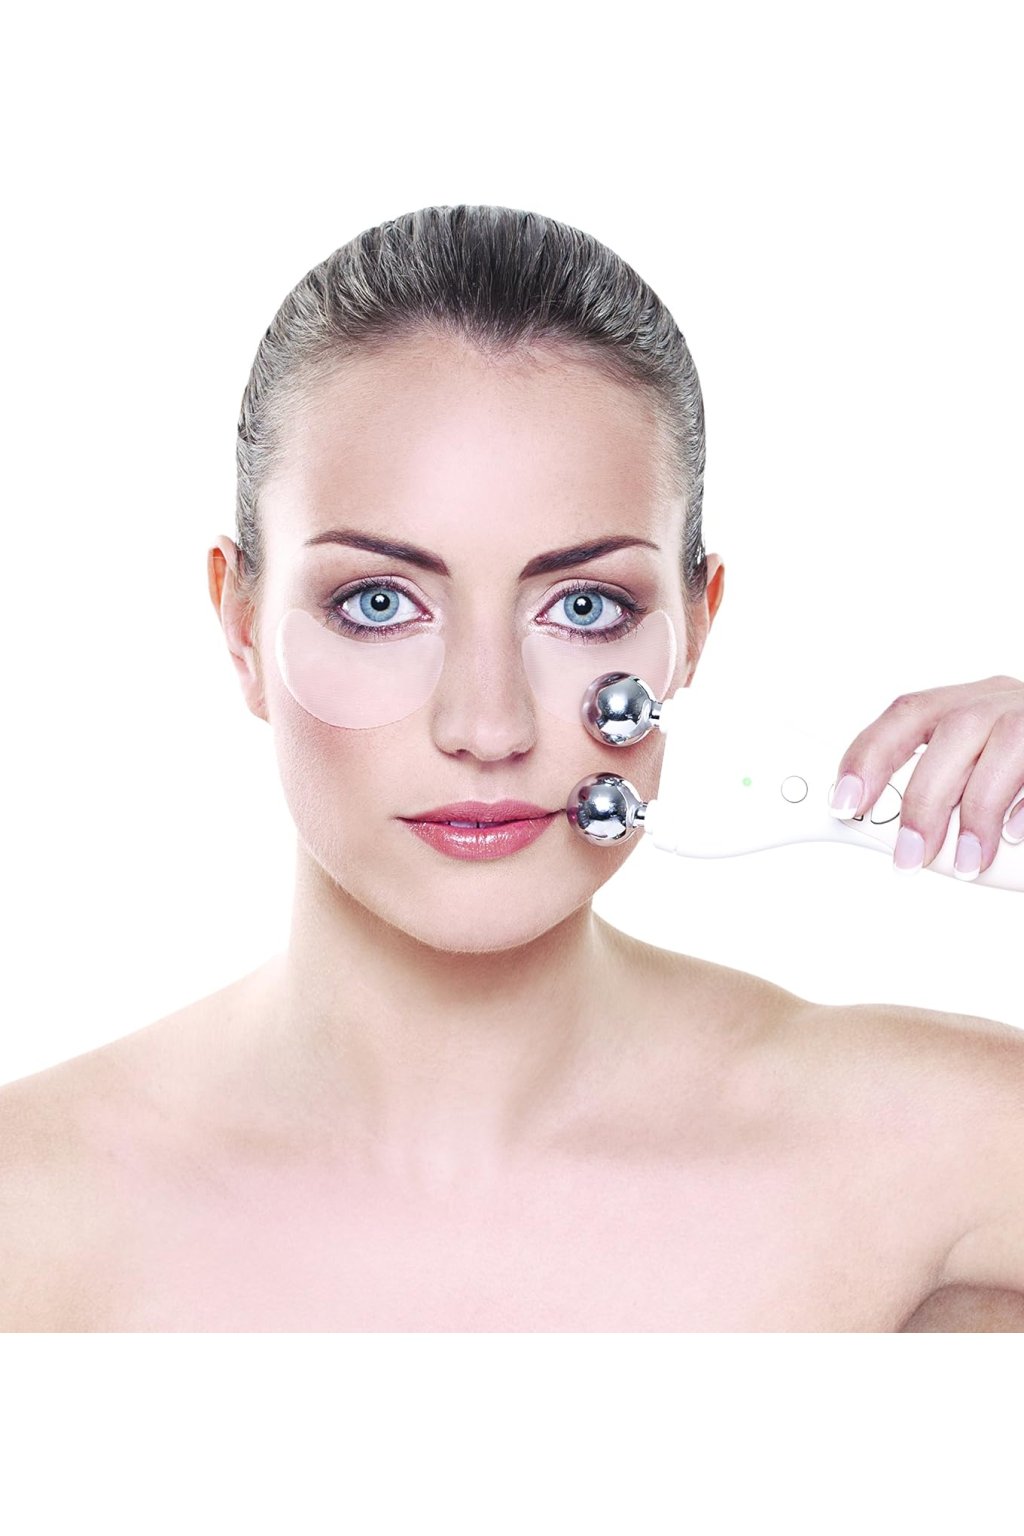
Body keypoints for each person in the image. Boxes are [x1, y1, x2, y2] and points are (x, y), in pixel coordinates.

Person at [2, 205, 1023, 1332]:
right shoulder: (31, 1216)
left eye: (583, 607)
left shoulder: (942, 1152)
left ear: (696, 627)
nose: (487, 727)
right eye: (377, 603)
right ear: (241, 628)